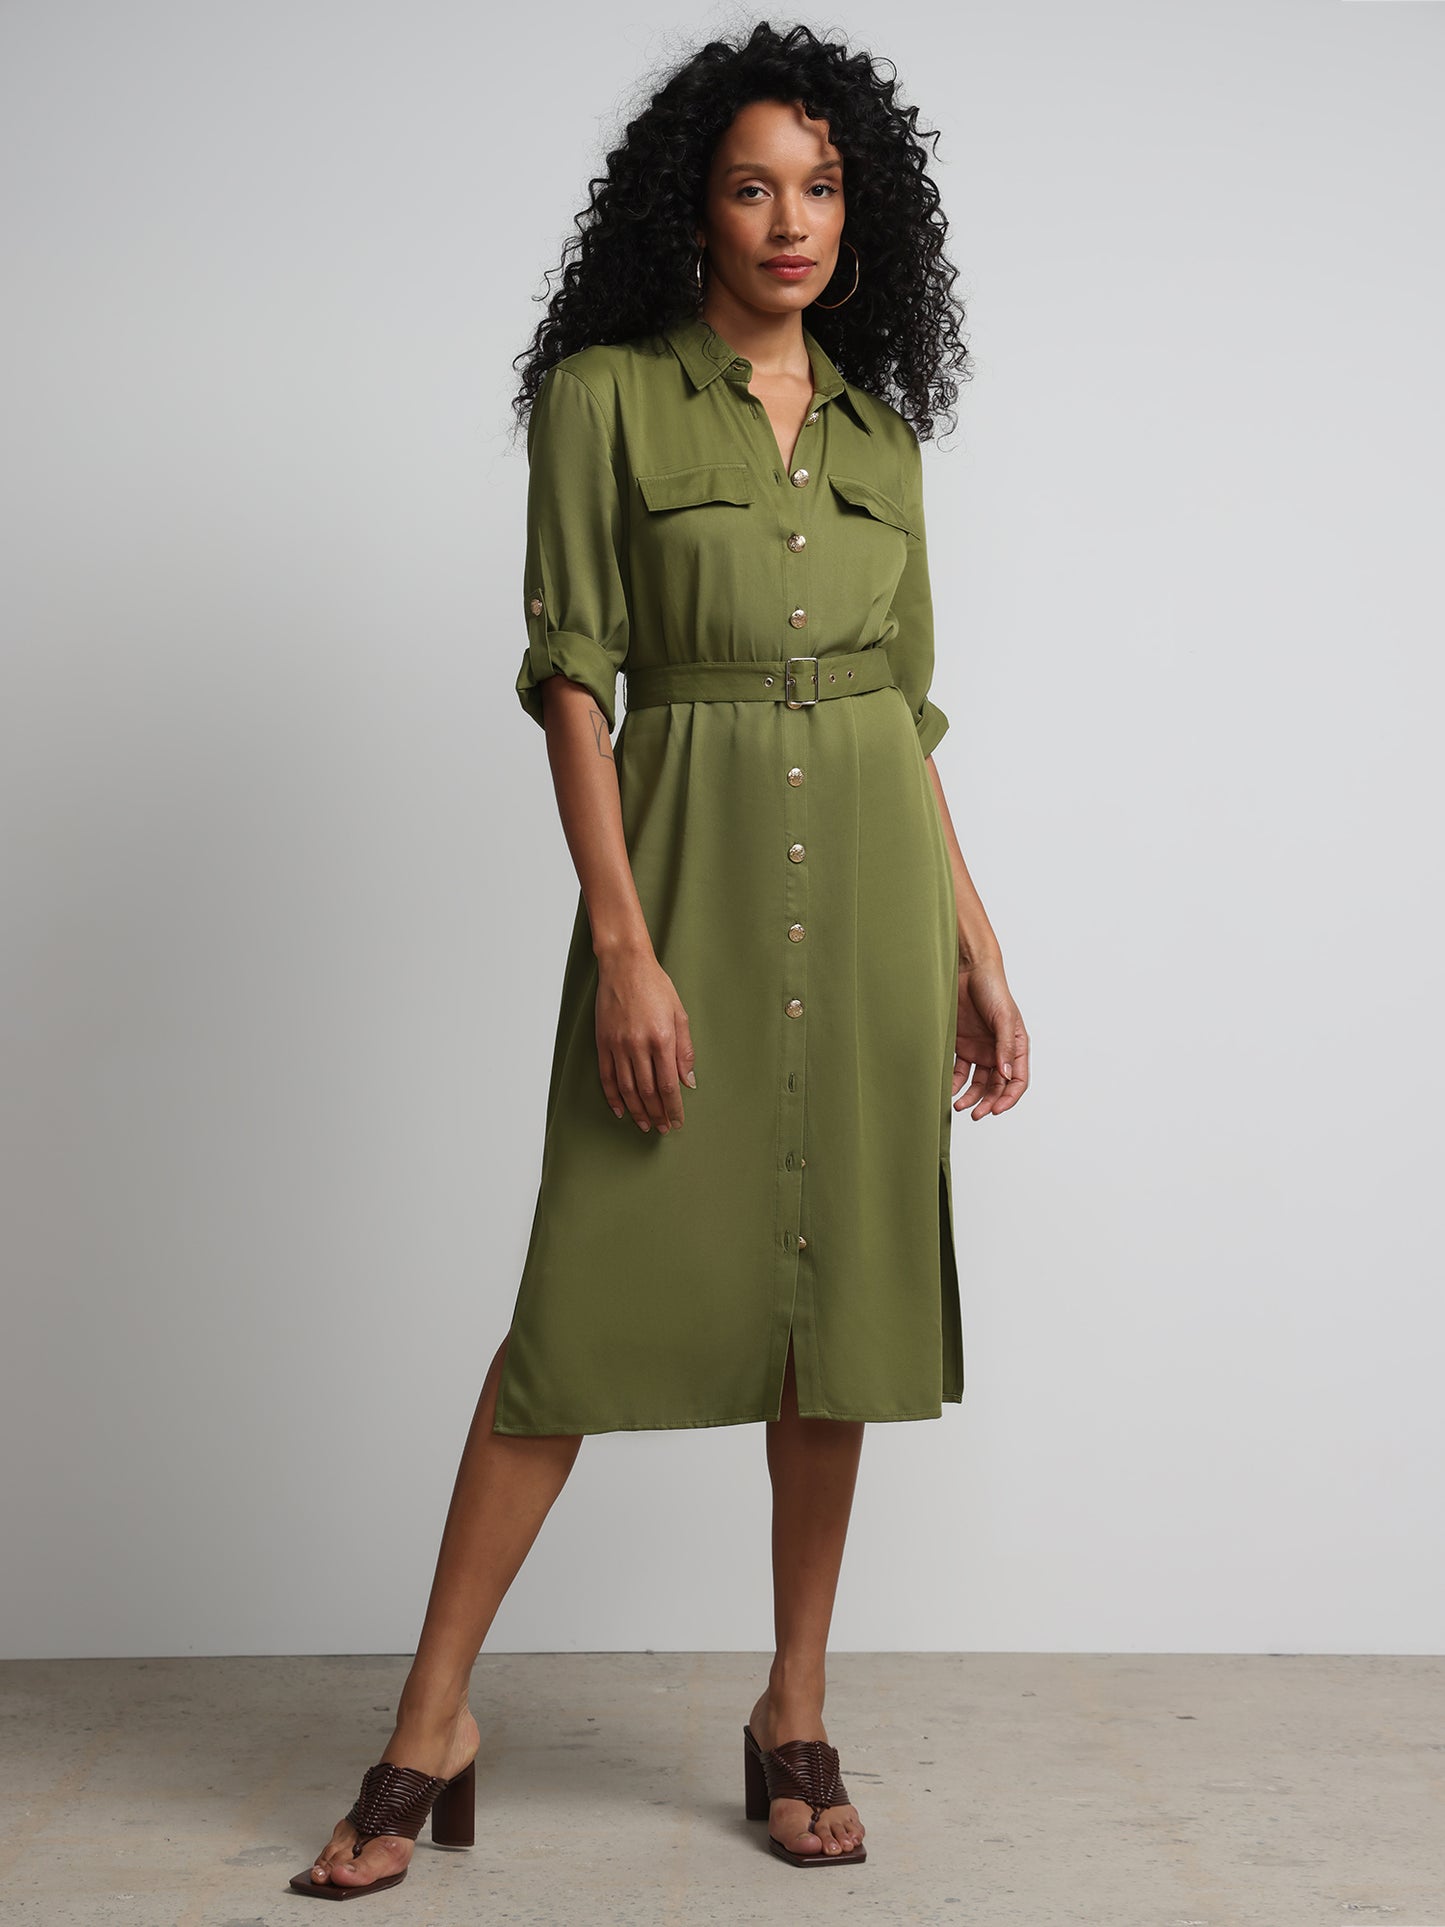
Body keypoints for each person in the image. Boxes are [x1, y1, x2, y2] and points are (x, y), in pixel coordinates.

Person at [292, 20, 1029, 1900]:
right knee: (572, 1315)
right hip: (685, 888)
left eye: (821, 186)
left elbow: (905, 712)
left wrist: (975, 941)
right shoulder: (604, 399)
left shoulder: (881, 440)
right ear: (688, 210)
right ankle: (430, 1719)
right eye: (751, 186)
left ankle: (793, 1712)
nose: (790, 221)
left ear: (859, 212)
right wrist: (622, 946)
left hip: (871, 905)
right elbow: (571, 679)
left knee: (834, 1319)